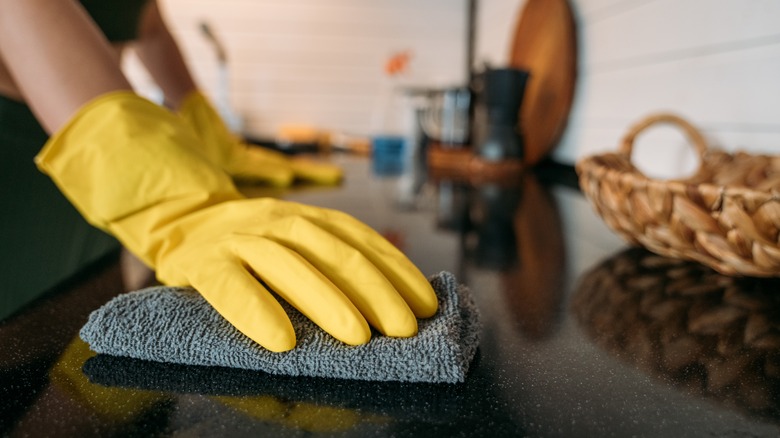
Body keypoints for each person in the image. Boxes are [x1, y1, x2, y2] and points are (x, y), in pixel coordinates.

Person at [0, 0, 437, 352]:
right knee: (22, 321)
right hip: (41, 144)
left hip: (100, 159)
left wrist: (208, 129)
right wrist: (176, 206)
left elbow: (148, 24)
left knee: (74, 315)